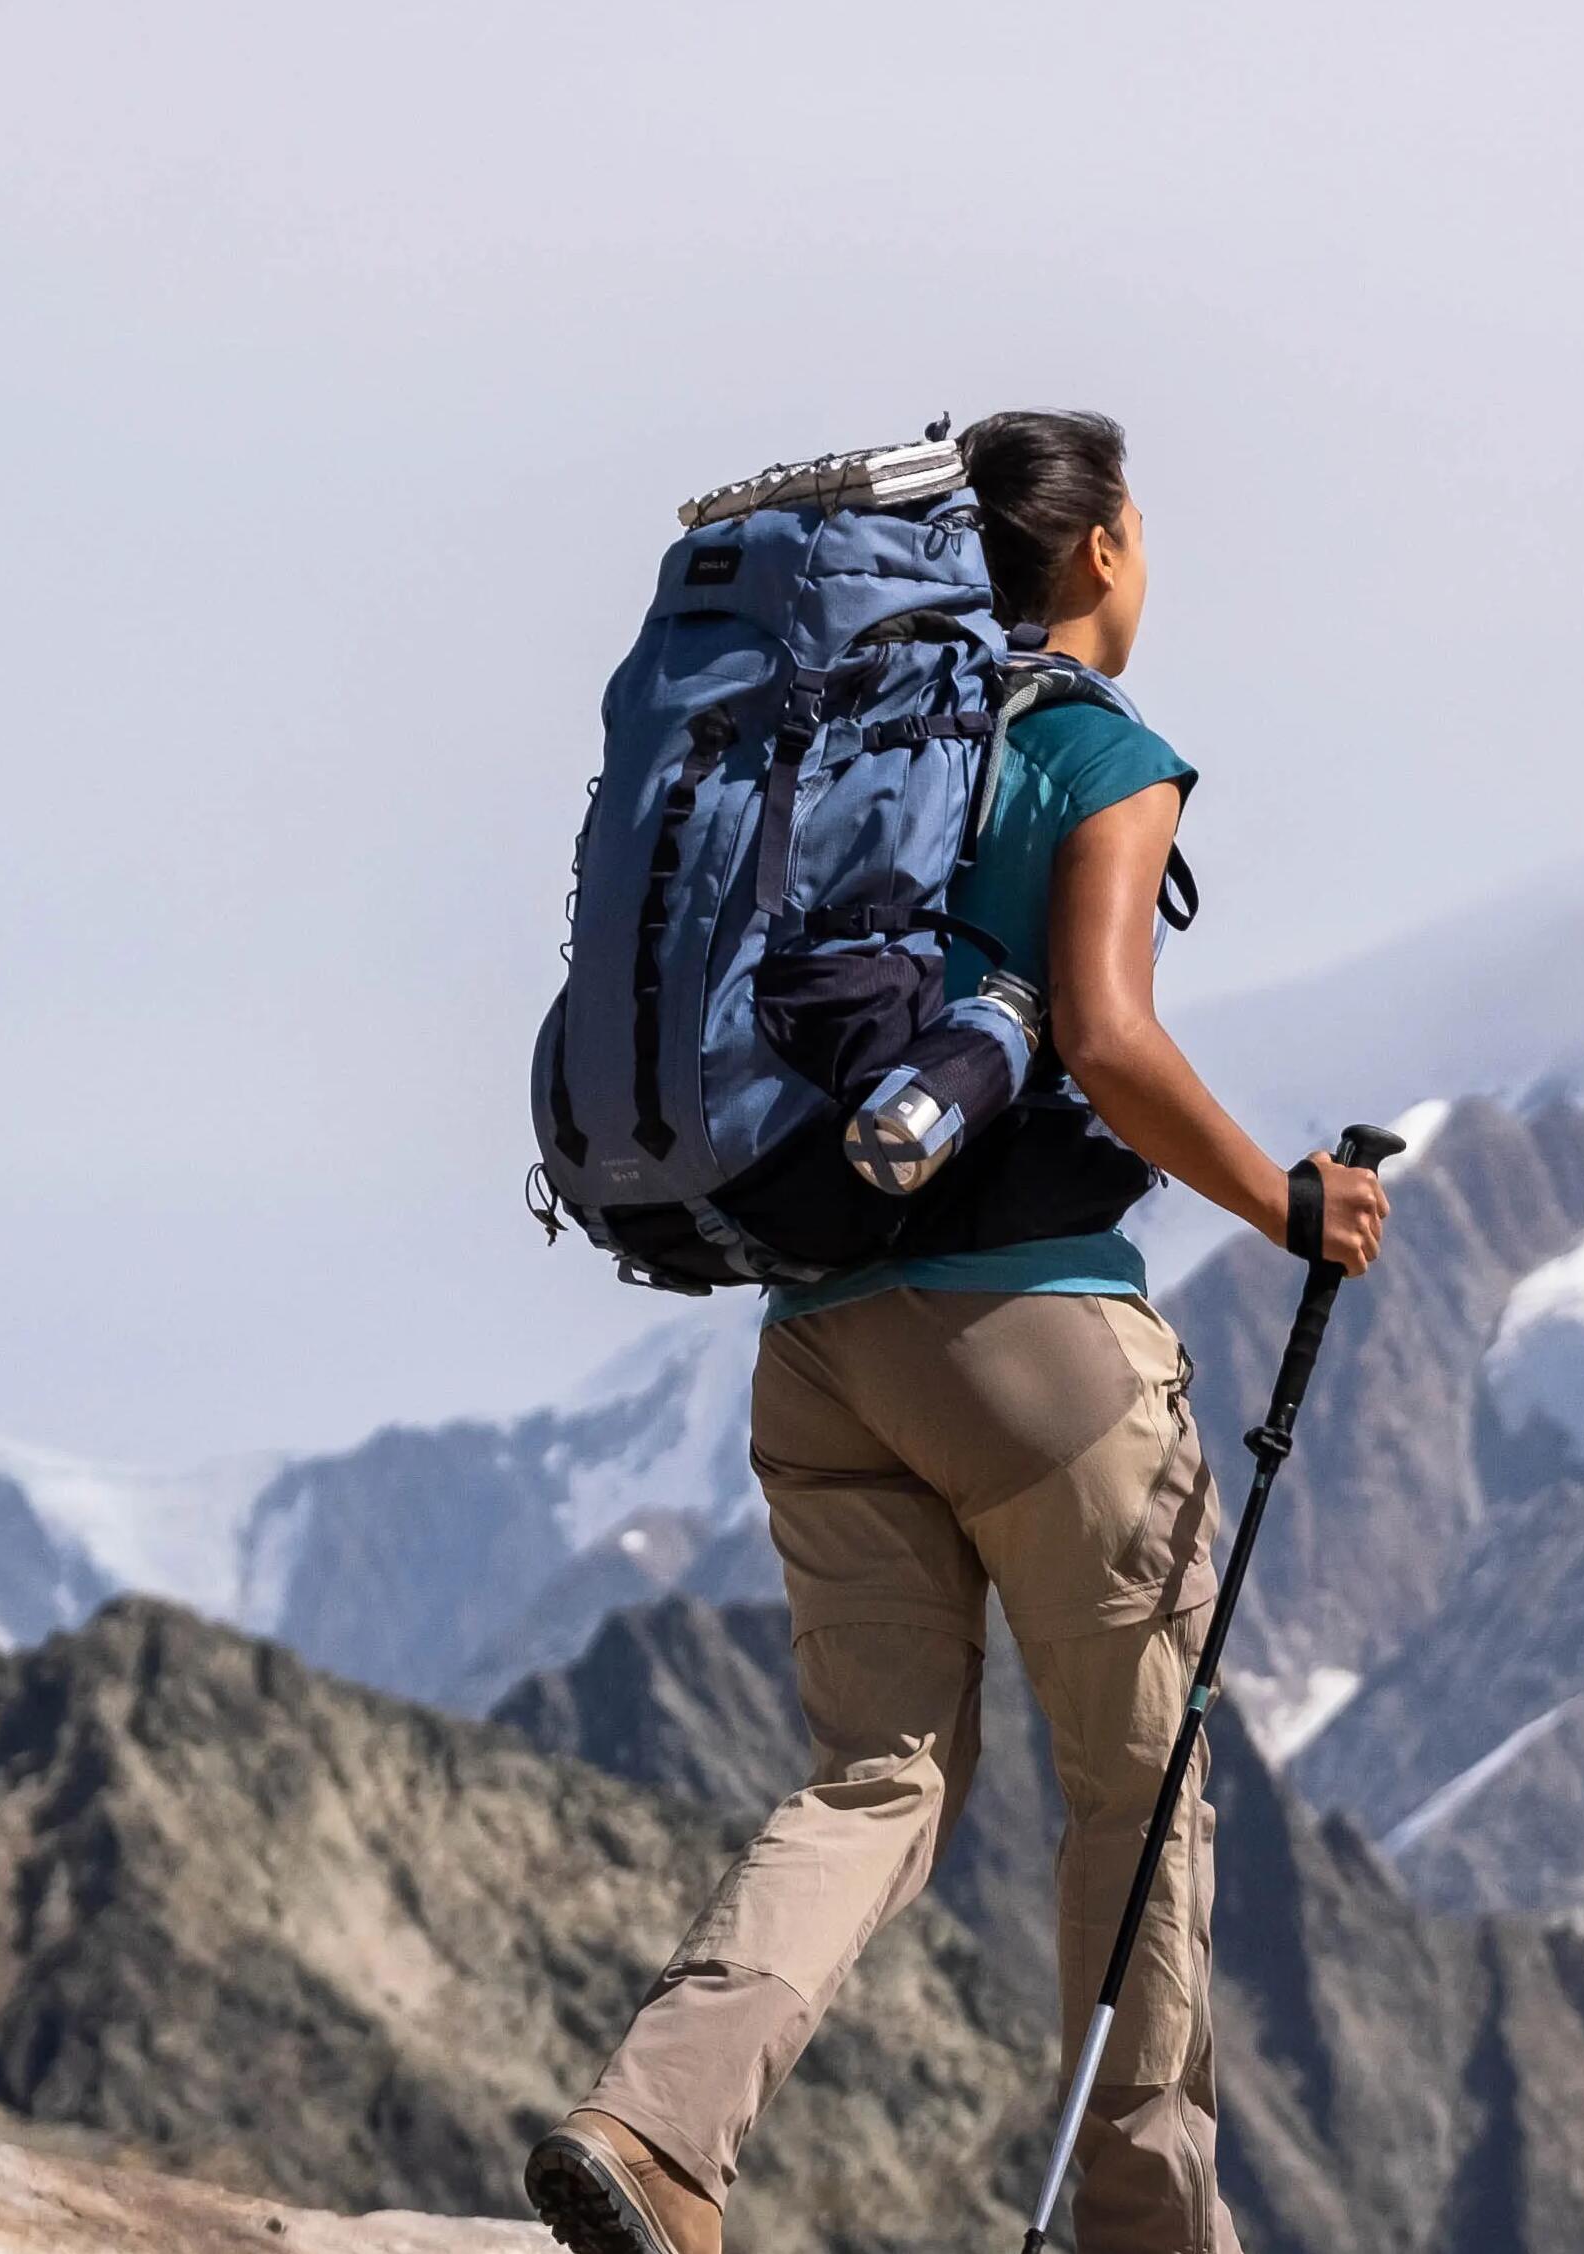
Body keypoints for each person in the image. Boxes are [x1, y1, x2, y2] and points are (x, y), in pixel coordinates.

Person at [525, 410, 1387, 2254]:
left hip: (823, 1331)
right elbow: (1107, 1035)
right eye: (1140, 525)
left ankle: (660, 2132)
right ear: (1094, 552)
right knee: (1138, 1795)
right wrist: (1284, 1198)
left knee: (878, 1774)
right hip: (1035, 1346)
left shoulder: (839, 743)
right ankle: (1150, 2232)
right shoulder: (1094, 746)